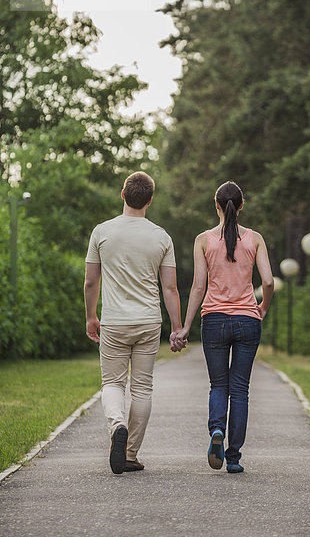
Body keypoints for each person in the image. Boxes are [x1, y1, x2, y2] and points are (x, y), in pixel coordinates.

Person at [84, 171, 184, 474]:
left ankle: (117, 425)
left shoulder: (102, 232)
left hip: (114, 321)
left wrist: (91, 316)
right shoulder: (161, 236)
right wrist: (177, 328)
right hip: (149, 321)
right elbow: (170, 288)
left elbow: (91, 282)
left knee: (113, 382)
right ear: (150, 200)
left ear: (123, 195)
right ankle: (129, 455)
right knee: (142, 388)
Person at [172, 181, 274, 473]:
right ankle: (233, 457)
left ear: (216, 205)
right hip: (247, 320)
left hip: (214, 320)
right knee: (240, 389)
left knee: (218, 384)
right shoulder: (255, 239)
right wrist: (262, 307)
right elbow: (267, 281)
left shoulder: (203, 240)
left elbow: (198, 286)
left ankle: (217, 430)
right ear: (241, 206)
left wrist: (185, 326)